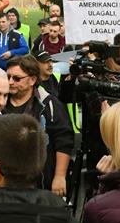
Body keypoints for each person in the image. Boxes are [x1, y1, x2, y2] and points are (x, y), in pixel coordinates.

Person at [5, 55, 73, 196]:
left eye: (17, 78)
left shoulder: (49, 104)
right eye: (8, 77)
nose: (10, 82)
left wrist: (59, 177)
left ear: (32, 80)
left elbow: (64, 141)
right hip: (6, 182)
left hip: (40, 184)